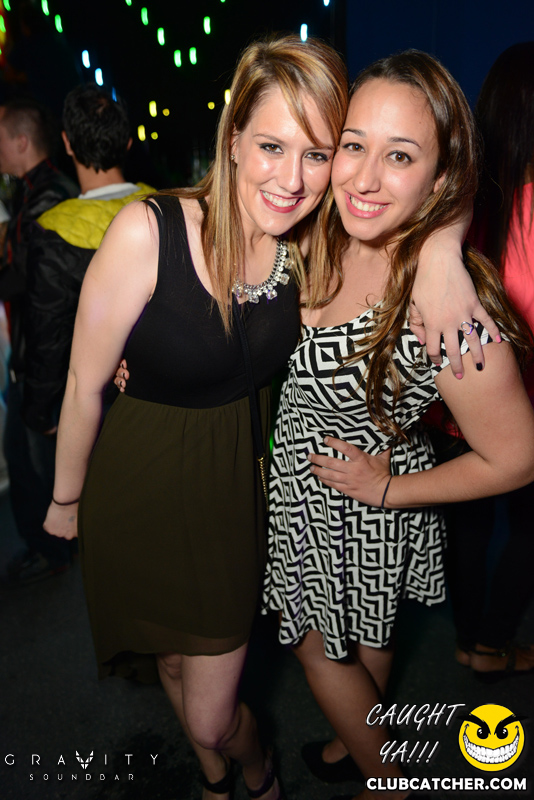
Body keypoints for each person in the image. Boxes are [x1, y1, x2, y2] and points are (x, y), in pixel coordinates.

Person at [46, 35, 496, 800]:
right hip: (142, 485)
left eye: (317, 153)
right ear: (233, 139)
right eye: (271, 146)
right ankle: (230, 774)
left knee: (238, 699)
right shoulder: (158, 230)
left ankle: (261, 768)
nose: (292, 179)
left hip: (243, 491)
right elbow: (85, 379)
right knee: (172, 660)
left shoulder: (310, 241)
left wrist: (446, 251)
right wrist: (66, 498)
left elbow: (429, 189)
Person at [261, 50, 534, 800]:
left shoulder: (445, 309)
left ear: (441, 180)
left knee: (316, 648)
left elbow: (517, 457)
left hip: (362, 498)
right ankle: (357, 745)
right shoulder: (322, 228)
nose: (364, 178)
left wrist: (386, 492)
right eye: (354, 145)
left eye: (401, 156)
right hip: (314, 489)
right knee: (369, 636)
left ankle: (389, 779)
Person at [433, 42, 534, 679]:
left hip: (455, 409)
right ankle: (493, 645)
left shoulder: (461, 207)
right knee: (528, 531)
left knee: (465, 533)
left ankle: (470, 640)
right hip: (525, 415)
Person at [0, 97, 77, 583]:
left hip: (45, 353)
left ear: (22, 141)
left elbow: (28, 279)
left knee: (35, 459)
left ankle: (54, 549)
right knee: (27, 456)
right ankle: (51, 546)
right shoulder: (32, 190)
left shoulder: (48, 194)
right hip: (35, 350)